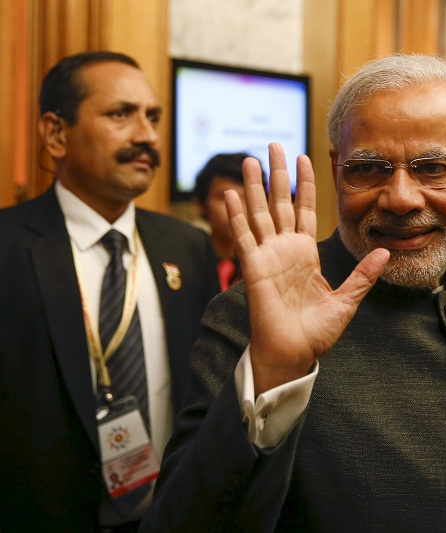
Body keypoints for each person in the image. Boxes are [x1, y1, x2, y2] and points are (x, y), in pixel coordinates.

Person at [141, 54, 446, 531]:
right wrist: (277, 373)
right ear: (337, 169)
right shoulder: (250, 317)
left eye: (433, 167)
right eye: (369, 169)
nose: (401, 198)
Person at [0, 51, 219, 531]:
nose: (146, 135)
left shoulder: (187, 246)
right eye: (121, 114)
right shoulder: (9, 246)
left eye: (153, 116)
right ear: (56, 133)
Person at [192, 152, 264, 290]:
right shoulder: (187, 263)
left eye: (248, 197)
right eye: (224, 197)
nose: (238, 207)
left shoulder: (270, 263)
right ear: (200, 204)